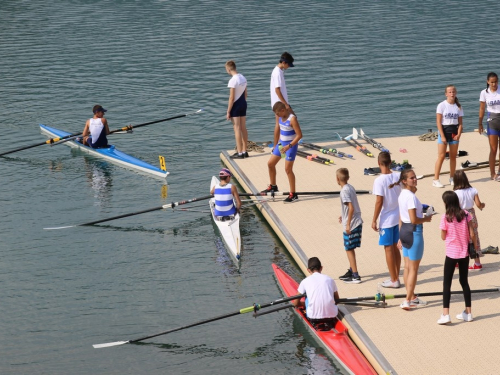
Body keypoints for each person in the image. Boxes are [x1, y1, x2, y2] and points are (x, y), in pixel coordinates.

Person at [390, 169, 433, 310]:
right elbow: (414, 219)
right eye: (412, 178)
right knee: (413, 268)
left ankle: (412, 296)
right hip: (415, 232)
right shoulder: (411, 198)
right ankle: (407, 300)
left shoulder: (403, 195)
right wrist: (427, 219)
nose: (415, 179)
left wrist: (400, 237)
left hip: (405, 231)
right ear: (404, 180)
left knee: (407, 267)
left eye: (415, 177)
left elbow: (402, 217)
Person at [437, 191, 477, 324]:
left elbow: (443, 236)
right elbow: (472, 234)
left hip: (451, 254)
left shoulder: (446, 217)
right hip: (464, 253)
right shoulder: (466, 215)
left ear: (446, 203)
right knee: (464, 281)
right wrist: (474, 248)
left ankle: (446, 314)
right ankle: (468, 312)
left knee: (447, 283)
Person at [261, 101, 302, 202]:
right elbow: (279, 132)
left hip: (290, 147)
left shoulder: (292, 119)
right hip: (281, 145)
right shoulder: (280, 117)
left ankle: (293, 194)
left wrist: (289, 146)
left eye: (277, 113)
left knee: (288, 169)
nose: (276, 115)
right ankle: (273, 186)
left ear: (283, 110)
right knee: (270, 164)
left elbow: (299, 135)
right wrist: (276, 145)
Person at [371, 151, 402, 288]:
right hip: (399, 216)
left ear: (378, 164)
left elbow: (379, 201)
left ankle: (394, 279)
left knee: (388, 249)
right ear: (390, 162)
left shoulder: (379, 180)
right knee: (396, 248)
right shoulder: (398, 175)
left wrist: (374, 219)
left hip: (387, 219)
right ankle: (396, 276)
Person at [293, 257, 340, 330]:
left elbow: (295, 303)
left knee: (307, 297)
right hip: (331, 316)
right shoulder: (330, 279)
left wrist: (304, 304)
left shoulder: (305, 281)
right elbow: (337, 299)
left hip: (313, 318)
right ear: (321, 268)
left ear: (308, 270)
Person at [453, 170, 485, 270]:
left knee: (460, 238)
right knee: (474, 236)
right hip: (471, 214)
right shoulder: (473, 190)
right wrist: (482, 205)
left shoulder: (455, 193)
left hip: (460, 215)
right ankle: (477, 262)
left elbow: (455, 207)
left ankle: (459, 262)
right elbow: (479, 204)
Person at [433, 85, 463, 188]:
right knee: (441, 156)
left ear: (456, 93)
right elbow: (438, 121)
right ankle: (436, 179)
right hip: (444, 131)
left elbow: (460, 123)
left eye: (453, 92)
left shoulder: (458, 107)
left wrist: (459, 134)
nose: (452, 93)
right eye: (449, 92)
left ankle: (452, 177)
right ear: (446, 94)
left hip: (454, 132)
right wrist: (442, 135)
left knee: (453, 157)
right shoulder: (441, 105)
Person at [337, 168, 363, 284]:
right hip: (356, 221)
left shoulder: (343, 191)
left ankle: (355, 275)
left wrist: (347, 224)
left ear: (337, 179)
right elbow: (349, 207)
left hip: (351, 225)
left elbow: (351, 207)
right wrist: (343, 215)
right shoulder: (350, 187)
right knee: (350, 248)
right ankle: (352, 270)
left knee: (349, 249)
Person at [478, 72, 500, 181]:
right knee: (493, 149)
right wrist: (480, 123)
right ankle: (492, 173)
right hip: (492, 121)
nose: (494, 84)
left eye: (496, 82)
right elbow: (482, 108)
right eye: (492, 82)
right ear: (488, 82)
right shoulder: (484, 93)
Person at [225, 60, 249, 159]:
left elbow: (231, 98)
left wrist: (228, 111)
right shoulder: (243, 77)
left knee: (237, 129)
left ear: (229, 69)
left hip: (236, 105)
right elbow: (246, 93)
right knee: (243, 127)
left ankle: (239, 153)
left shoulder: (232, 80)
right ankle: (245, 151)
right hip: (243, 103)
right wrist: (242, 103)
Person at [270, 52, 295, 130]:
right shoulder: (277, 73)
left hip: (281, 103)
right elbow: (277, 90)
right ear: (284, 62)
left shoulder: (279, 71)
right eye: (288, 64)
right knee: (279, 123)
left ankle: (286, 138)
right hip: (279, 104)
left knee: (289, 120)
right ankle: (277, 142)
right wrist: (286, 105)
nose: (289, 67)